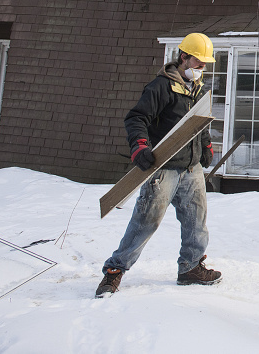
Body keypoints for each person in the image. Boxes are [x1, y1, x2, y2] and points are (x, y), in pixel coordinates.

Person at [95, 32, 222, 297]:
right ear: (183, 57)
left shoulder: (197, 88)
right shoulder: (161, 87)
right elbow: (136, 118)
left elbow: (200, 120)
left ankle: (191, 268)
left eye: (205, 64)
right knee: (146, 221)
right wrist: (140, 145)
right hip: (163, 168)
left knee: (196, 222)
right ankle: (114, 271)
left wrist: (206, 146)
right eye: (198, 62)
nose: (202, 68)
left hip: (191, 168)